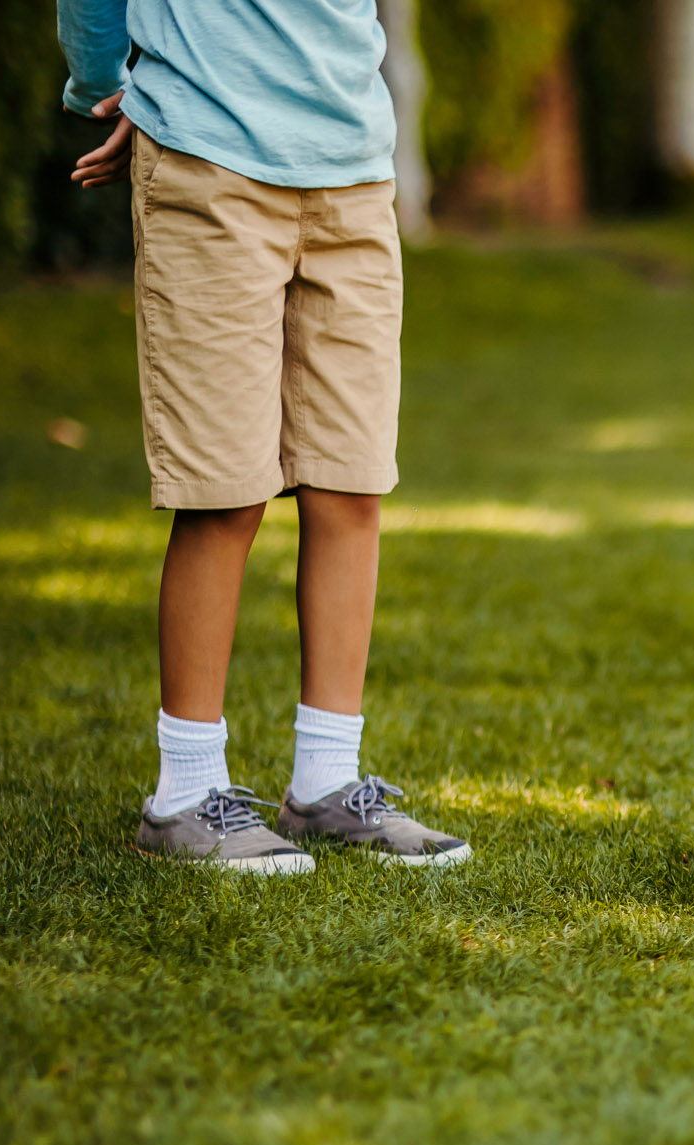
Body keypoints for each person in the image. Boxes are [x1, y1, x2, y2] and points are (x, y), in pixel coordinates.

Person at [57, 0, 469, 871]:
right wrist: (108, 85)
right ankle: (185, 793)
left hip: (353, 168)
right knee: (224, 491)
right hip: (210, 161)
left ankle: (327, 783)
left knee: (351, 482)